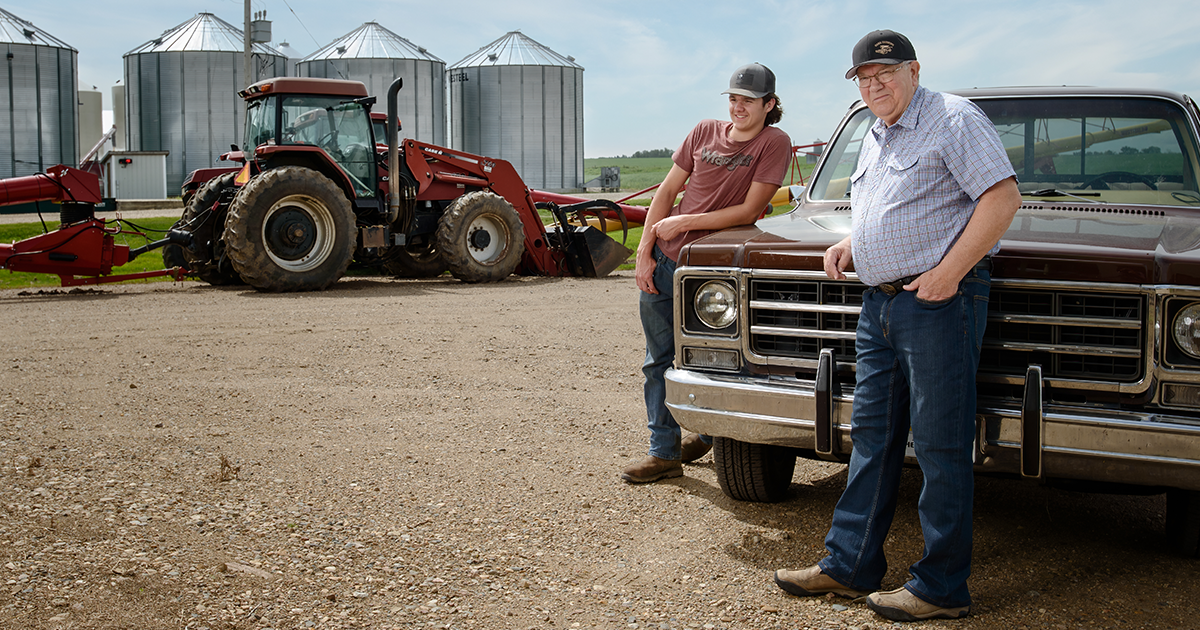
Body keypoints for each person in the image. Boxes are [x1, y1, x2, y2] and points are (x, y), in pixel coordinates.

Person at [772, 31, 1021, 621]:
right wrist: (856, 243)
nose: (873, 84)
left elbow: (1002, 199)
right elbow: (893, 203)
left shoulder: (954, 119)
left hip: (936, 304)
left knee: (939, 445)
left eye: (884, 72)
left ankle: (940, 587)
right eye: (863, 77)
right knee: (873, 438)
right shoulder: (876, 132)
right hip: (878, 304)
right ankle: (849, 566)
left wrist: (948, 274)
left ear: (913, 69)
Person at [621, 63, 793, 484]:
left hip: (711, 272)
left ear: (769, 104)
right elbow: (666, 191)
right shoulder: (703, 131)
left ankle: (705, 432)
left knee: (716, 360)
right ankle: (663, 452)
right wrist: (645, 253)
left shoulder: (774, 143)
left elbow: (750, 210)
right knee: (657, 361)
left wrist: (684, 223)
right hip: (665, 263)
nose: (738, 107)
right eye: (733, 98)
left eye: (748, 101)